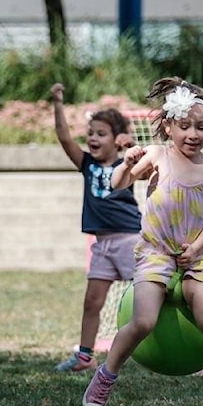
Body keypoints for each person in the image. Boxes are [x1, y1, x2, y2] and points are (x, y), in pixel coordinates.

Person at [83, 76, 203, 406]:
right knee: (142, 321)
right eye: (185, 126)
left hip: (195, 257)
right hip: (154, 254)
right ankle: (105, 377)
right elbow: (118, 184)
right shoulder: (157, 155)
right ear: (168, 127)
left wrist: (198, 247)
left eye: (201, 127)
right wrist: (127, 164)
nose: (193, 134)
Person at [50, 83, 142, 372]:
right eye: (91, 133)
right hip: (101, 245)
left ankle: (159, 345)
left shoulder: (126, 164)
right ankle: (85, 356)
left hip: (129, 240)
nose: (93, 138)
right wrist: (58, 104)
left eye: (101, 134)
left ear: (116, 140)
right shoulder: (87, 164)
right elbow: (65, 139)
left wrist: (131, 143)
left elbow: (143, 157)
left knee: (145, 297)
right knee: (92, 301)